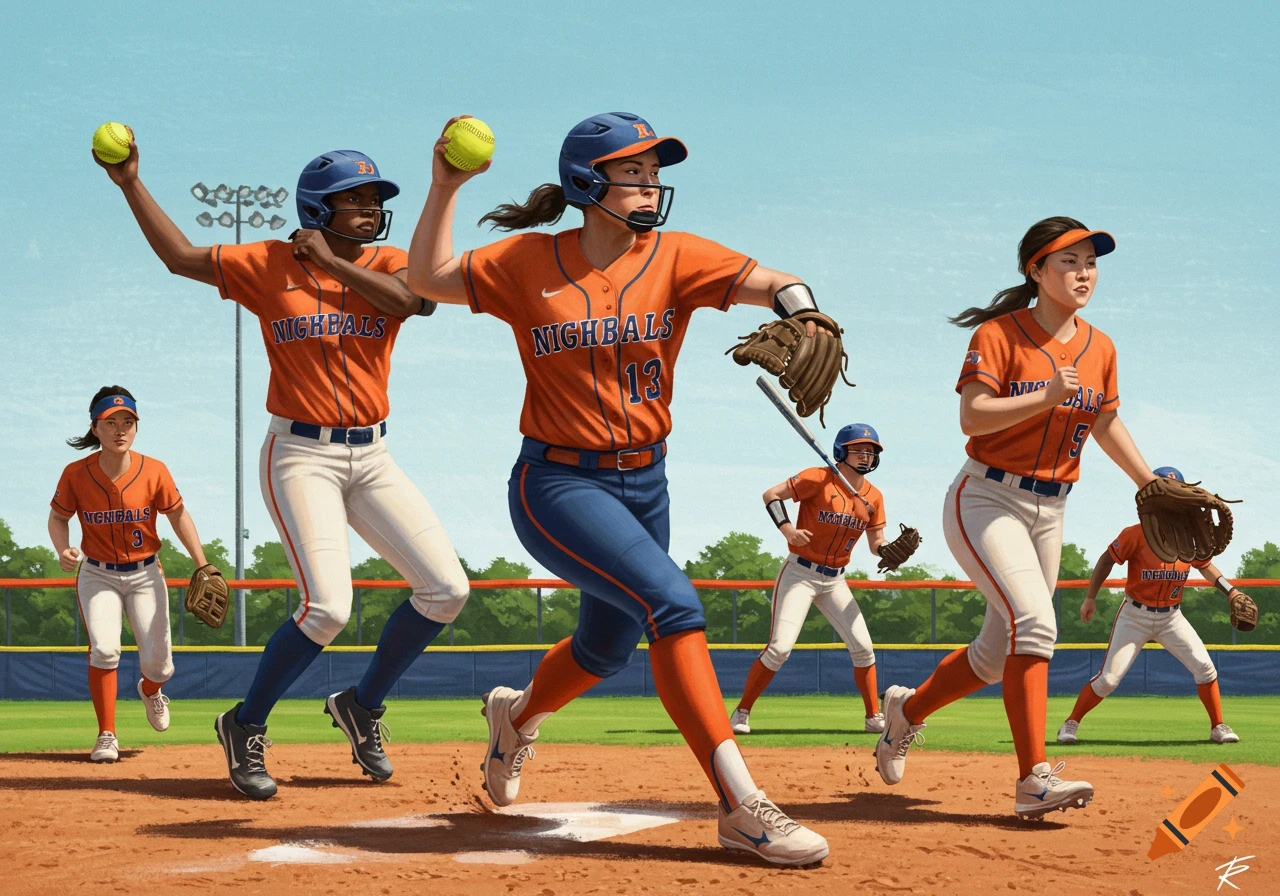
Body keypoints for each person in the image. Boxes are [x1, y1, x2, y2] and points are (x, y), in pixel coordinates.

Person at [406, 112, 832, 865]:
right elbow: (427, 279)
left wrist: (806, 314)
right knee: (674, 605)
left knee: (605, 650)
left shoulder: (676, 257)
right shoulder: (527, 262)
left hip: (646, 484)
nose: (648, 186)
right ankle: (740, 804)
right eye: (630, 172)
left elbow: (777, 279)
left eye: (653, 173)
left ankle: (515, 716)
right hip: (557, 484)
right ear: (584, 181)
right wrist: (444, 187)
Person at [96, 143, 469, 799]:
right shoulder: (268, 263)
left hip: (373, 455)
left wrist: (325, 261)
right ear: (318, 207)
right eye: (355, 200)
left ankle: (361, 704)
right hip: (300, 454)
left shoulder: (391, 262)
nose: (370, 210)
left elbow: (412, 304)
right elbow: (180, 258)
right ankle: (244, 724)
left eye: (375, 199)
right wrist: (131, 183)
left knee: (446, 590)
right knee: (327, 607)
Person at [874, 217, 1175, 819]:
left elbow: (1106, 422)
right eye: (1069, 260)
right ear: (1035, 269)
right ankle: (1033, 779)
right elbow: (973, 416)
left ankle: (905, 713)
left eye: (1091, 260)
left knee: (993, 654)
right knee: (1034, 624)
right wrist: (1044, 396)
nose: (1084, 271)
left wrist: (1149, 484)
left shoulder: (1101, 346)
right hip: (986, 498)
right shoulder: (998, 335)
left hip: (1052, 507)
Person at [49, 386, 211, 761]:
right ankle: (107, 734)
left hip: (145, 573)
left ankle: (151, 690)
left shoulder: (154, 470)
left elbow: (177, 514)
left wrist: (201, 561)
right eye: (111, 422)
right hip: (98, 574)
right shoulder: (76, 474)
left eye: (128, 422)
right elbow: (58, 517)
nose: (121, 429)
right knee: (104, 650)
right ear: (95, 427)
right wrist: (63, 548)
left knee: (159, 665)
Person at [732, 423, 908, 736]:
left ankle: (873, 718)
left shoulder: (874, 497)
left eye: (871, 451)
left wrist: (889, 550)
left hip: (835, 581)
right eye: (859, 449)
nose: (866, 456)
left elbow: (875, 542)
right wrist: (787, 529)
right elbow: (771, 495)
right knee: (779, 649)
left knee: (864, 649)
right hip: (800, 572)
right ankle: (741, 712)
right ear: (842, 451)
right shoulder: (818, 477)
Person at [1057, 467, 1242, 746]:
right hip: (1134, 615)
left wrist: (1230, 590)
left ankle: (1218, 726)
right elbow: (1107, 559)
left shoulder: (1188, 537)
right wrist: (1091, 597)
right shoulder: (1136, 534)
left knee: (1205, 668)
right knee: (1108, 680)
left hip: (1172, 617)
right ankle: (1071, 723)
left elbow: (1205, 566)